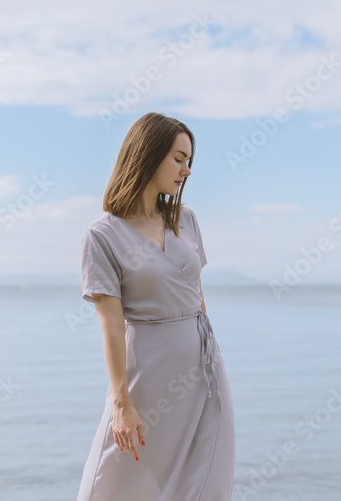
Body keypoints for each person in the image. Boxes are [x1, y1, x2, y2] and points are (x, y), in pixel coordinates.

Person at [76, 112, 235, 500]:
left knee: (203, 477)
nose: (187, 170)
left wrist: (210, 359)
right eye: (179, 158)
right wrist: (122, 402)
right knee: (117, 476)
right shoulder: (103, 236)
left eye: (189, 161)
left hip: (203, 370)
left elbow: (197, 300)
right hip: (147, 375)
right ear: (149, 154)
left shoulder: (187, 221)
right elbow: (112, 327)